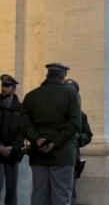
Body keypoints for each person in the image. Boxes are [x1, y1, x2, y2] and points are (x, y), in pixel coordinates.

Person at [23, 63, 81, 205]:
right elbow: (74, 124)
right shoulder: (71, 93)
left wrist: (37, 139)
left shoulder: (31, 96)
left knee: (39, 196)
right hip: (62, 154)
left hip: (38, 153)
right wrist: (54, 143)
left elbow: (24, 124)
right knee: (61, 197)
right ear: (63, 76)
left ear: (47, 75)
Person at [0, 74, 27, 205]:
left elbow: (22, 131)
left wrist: (11, 148)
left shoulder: (21, 108)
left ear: (14, 89)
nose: (3, 88)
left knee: (12, 190)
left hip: (12, 154)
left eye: (7, 86)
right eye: (2, 85)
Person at [65, 79, 93, 205]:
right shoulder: (54, 112)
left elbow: (87, 135)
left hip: (71, 157)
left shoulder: (82, 115)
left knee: (70, 191)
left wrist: (77, 137)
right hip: (52, 157)